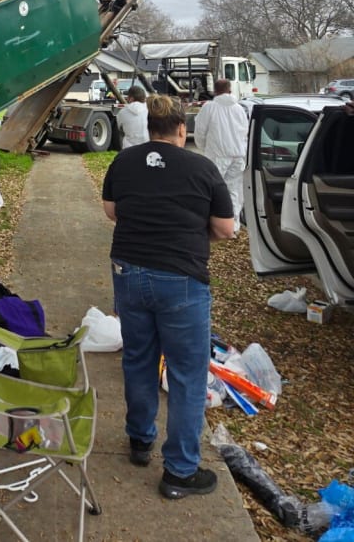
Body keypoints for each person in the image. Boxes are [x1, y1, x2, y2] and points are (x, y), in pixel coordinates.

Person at [102, 95, 235, 500]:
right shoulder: (202, 167)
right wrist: (194, 230)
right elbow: (226, 229)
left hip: (128, 272)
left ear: (149, 128)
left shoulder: (123, 161)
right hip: (181, 279)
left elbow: (111, 211)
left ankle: (140, 441)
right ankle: (179, 471)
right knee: (186, 374)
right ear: (181, 128)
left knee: (138, 359)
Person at [193, 78, 249, 233]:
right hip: (238, 155)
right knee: (234, 191)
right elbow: (245, 132)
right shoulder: (239, 109)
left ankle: (213, 225)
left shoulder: (209, 107)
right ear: (230, 90)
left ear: (215, 91)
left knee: (212, 191)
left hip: (217, 155)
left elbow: (200, 131)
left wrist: (204, 148)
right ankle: (233, 226)